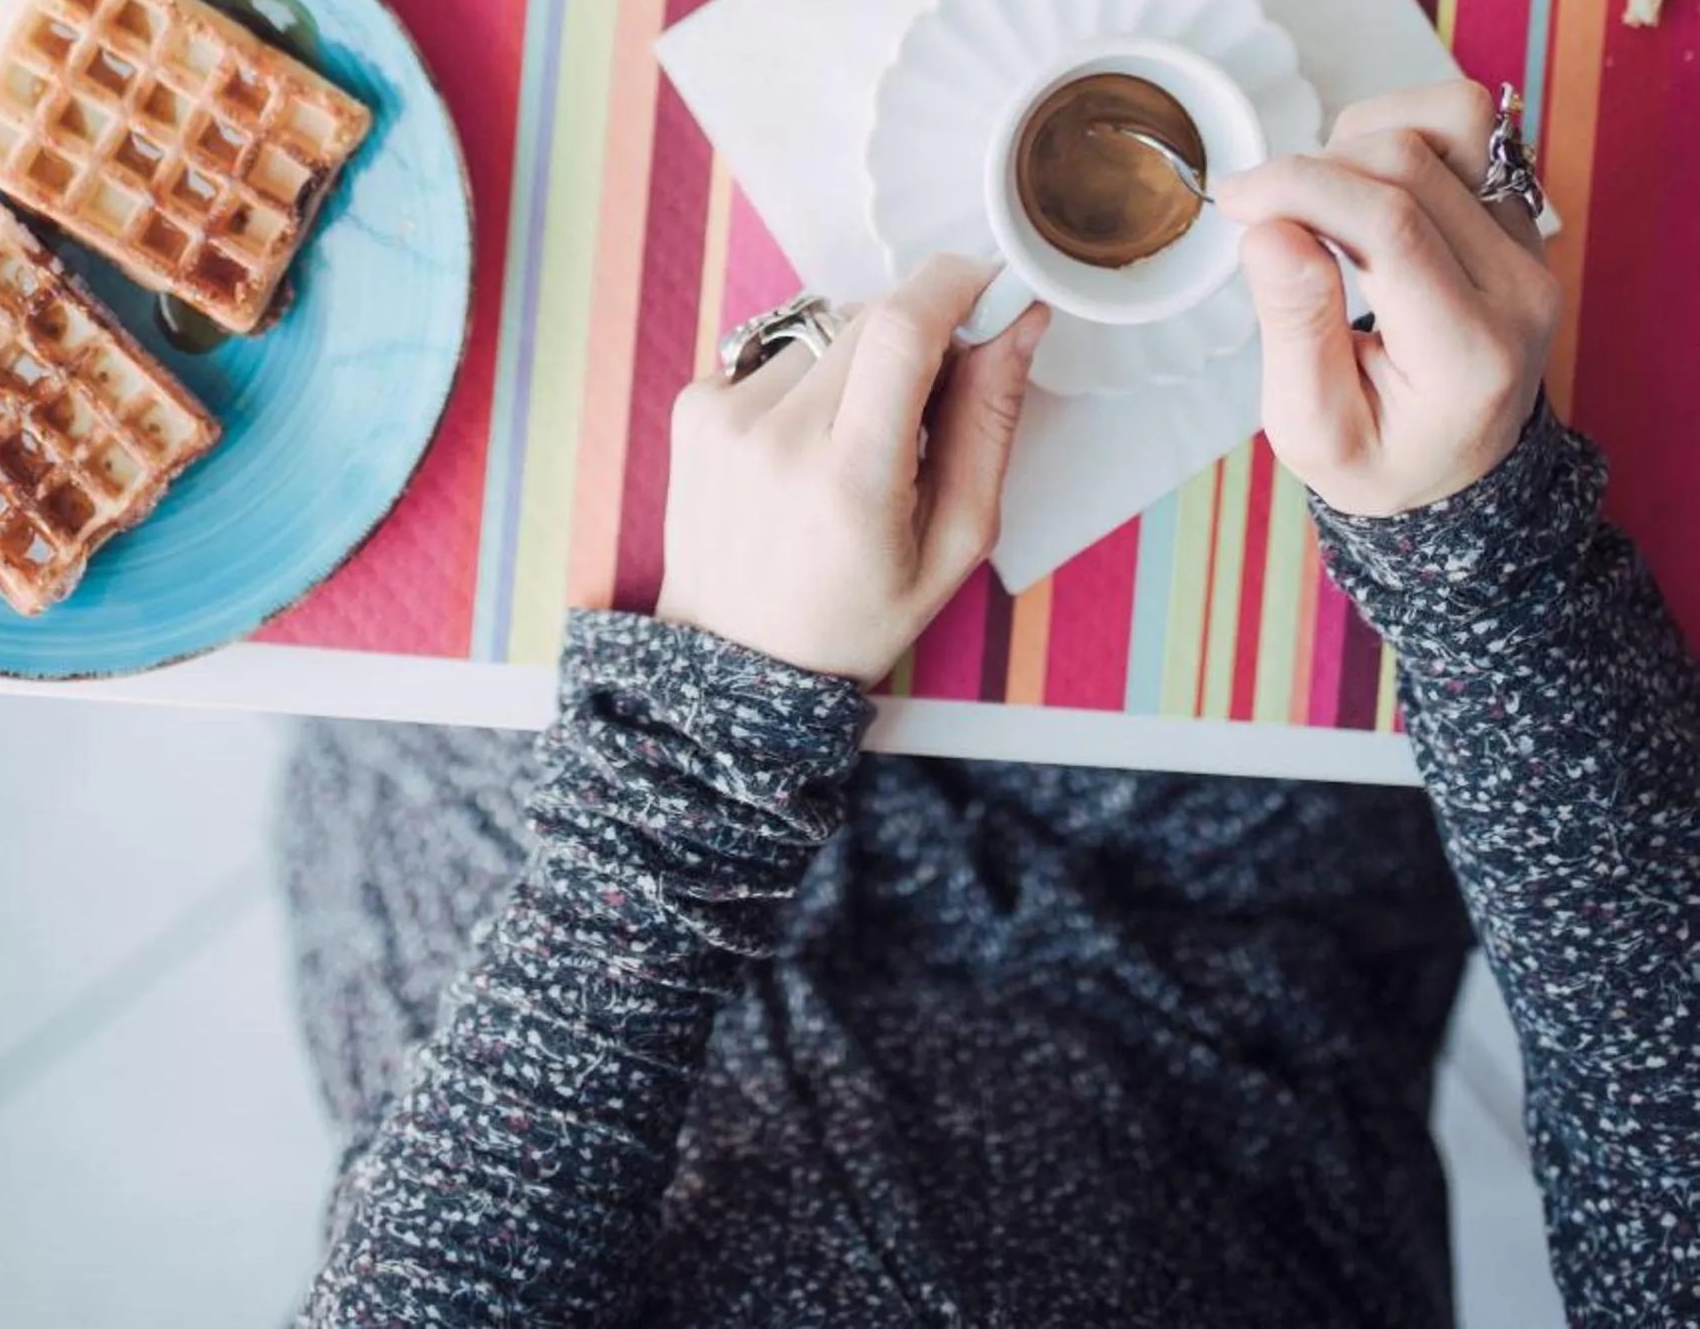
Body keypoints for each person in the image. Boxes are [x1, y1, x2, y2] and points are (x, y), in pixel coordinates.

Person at [280, 81, 1698, 1326]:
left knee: (436, 392)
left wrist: (708, 738)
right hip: (1223, 946)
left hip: (557, 931)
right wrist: (1480, 550)